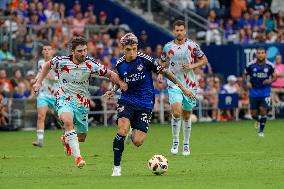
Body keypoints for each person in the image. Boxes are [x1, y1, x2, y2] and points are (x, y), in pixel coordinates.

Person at [104, 33, 195, 176]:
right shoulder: (119, 64)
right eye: (128, 49)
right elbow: (120, 81)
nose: (132, 52)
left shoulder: (145, 60)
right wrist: (113, 90)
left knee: (138, 142)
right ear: (122, 48)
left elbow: (165, 72)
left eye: (134, 48)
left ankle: (130, 132)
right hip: (127, 100)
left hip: (145, 103)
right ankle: (116, 168)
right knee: (121, 131)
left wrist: (183, 88)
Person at [33, 37, 127, 168]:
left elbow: (110, 74)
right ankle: (78, 157)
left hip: (81, 102)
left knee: (82, 137)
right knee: (67, 121)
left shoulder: (91, 64)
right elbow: (46, 66)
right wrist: (38, 82)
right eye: (80, 51)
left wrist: (121, 83)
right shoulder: (61, 61)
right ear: (72, 51)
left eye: (85, 50)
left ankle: (67, 138)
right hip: (64, 97)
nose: (83, 53)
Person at [159, 20, 208, 156]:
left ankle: (186, 144)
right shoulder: (168, 47)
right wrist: (159, 74)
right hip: (173, 82)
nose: (179, 32)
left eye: (181, 30)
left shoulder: (192, 45)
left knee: (187, 115)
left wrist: (192, 66)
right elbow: (162, 61)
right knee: (176, 112)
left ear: (185, 31)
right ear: (173, 31)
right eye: (177, 30)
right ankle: (175, 142)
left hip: (190, 84)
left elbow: (204, 60)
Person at [243, 47, 276, 137]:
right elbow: (244, 75)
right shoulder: (250, 65)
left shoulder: (270, 65)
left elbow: (274, 77)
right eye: (259, 53)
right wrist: (247, 82)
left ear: (265, 54)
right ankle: (258, 120)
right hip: (254, 91)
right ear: (256, 54)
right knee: (253, 114)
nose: (260, 54)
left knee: (263, 110)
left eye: (262, 53)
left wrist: (270, 81)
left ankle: (261, 131)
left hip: (265, 91)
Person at [32, 43, 58, 147]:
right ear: (42, 52)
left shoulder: (57, 62)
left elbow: (64, 76)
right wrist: (36, 80)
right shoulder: (41, 62)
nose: (46, 51)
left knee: (60, 118)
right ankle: (40, 140)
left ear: (52, 51)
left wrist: (54, 79)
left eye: (49, 49)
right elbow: (40, 72)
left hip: (56, 94)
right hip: (43, 93)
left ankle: (67, 137)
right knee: (41, 116)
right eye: (45, 49)